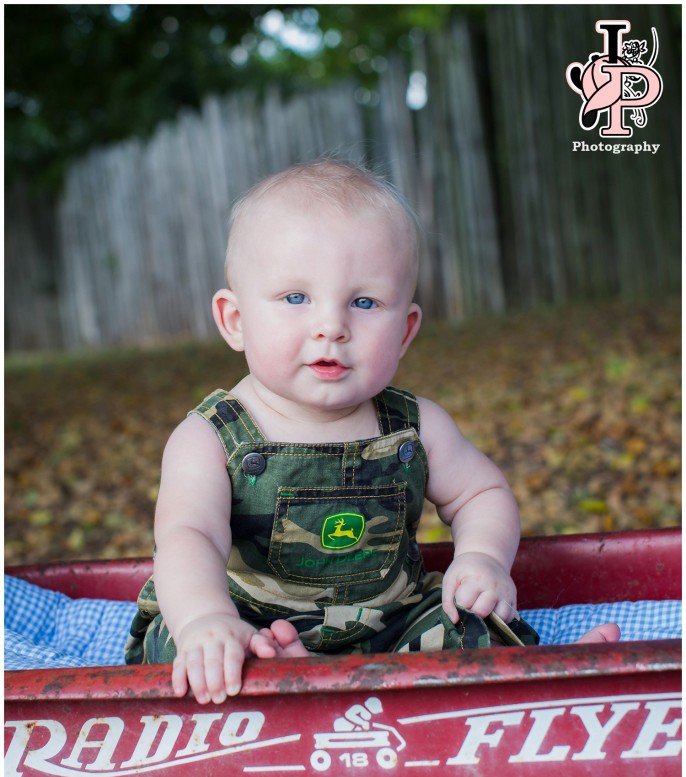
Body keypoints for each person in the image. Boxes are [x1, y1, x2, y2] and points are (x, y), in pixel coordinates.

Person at [125, 159, 619, 704]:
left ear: (405, 331)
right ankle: (269, 670)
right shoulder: (210, 438)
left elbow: (482, 492)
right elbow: (188, 537)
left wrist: (482, 558)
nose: (331, 326)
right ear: (235, 320)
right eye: (296, 298)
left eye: (364, 302)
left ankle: (548, 676)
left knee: (471, 622)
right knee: (184, 648)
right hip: (250, 622)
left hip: (392, 630)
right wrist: (206, 619)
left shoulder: (415, 425)